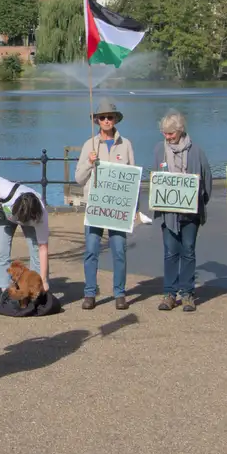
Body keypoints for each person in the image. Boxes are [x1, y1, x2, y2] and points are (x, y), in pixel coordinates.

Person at [149, 110, 211, 312]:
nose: (168, 137)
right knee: (169, 252)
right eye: (165, 133)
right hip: (168, 213)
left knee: (188, 251)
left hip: (190, 212)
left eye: (171, 133)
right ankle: (169, 293)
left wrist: (199, 201)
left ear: (180, 131)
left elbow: (207, 179)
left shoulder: (196, 151)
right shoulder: (159, 150)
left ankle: (187, 294)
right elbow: (155, 178)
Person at [76, 100, 135, 310]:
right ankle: (90, 293)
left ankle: (120, 293)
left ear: (116, 119)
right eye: (102, 117)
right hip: (95, 206)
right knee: (91, 250)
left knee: (119, 250)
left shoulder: (126, 144)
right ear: (96, 121)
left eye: (110, 117)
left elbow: (132, 178)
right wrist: (89, 163)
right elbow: (78, 179)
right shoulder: (88, 145)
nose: (107, 120)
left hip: (117, 208)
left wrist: (133, 207)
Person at [0, 177, 50, 301]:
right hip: (3, 212)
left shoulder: (41, 216)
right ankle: (4, 291)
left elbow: (42, 248)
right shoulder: (3, 188)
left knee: (35, 251)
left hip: (31, 216)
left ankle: (35, 288)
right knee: (1, 250)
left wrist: (43, 280)